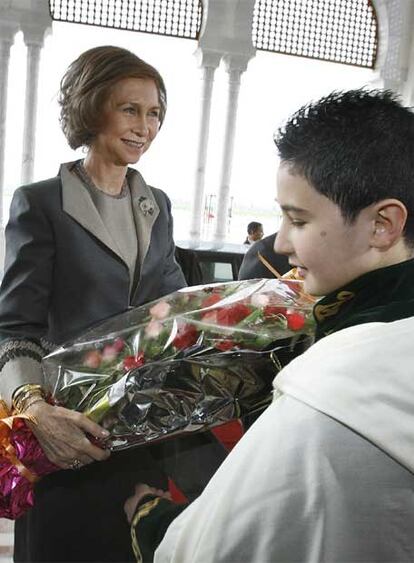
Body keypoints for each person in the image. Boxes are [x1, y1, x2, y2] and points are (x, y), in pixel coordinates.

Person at [127, 89, 414, 562]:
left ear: (382, 224)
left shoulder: (329, 395)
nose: (280, 242)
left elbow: (212, 548)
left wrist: (150, 518)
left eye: (298, 219)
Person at [0, 45, 228, 563]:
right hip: (68, 436)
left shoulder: (158, 204)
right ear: (91, 106)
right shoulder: (40, 203)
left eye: (154, 114)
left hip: (143, 431)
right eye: (130, 109)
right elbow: (15, 327)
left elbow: (173, 308)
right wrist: (35, 411)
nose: (144, 126)